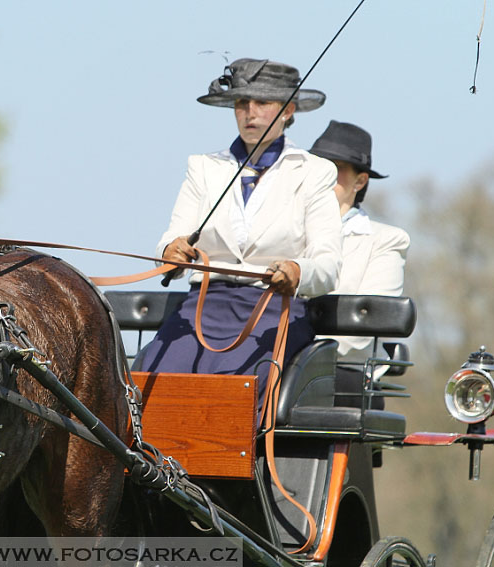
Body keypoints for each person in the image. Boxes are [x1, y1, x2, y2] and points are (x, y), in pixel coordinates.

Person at [137, 58, 342, 415]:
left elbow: (327, 266)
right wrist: (172, 252)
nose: (250, 113)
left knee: (237, 393)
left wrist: (296, 270)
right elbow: (172, 239)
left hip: (273, 311)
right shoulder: (203, 168)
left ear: (288, 110)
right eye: (241, 103)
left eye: (262, 103)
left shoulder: (315, 172)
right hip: (203, 306)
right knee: (151, 382)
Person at [308, 120, 410, 369]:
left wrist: (293, 348)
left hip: (342, 378)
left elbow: (359, 331)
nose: (324, 175)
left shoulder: (385, 241)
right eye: (318, 167)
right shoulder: (286, 230)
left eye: (336, 168)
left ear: (360, 181)